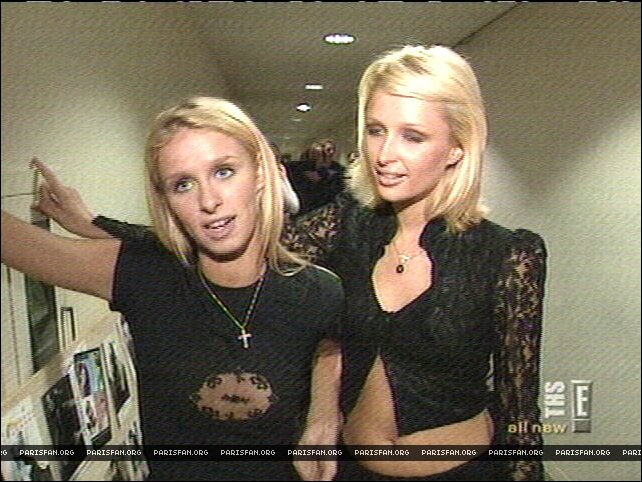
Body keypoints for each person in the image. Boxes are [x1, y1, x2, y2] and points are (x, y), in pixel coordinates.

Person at [26, 46, 546, 481]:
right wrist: (95, 223)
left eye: (412, 136)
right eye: (375, 130)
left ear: (457, 147)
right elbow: (234, 236)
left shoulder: (509, 255)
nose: (385, 153)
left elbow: (519, 406)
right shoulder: (349, 224)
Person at [2, 97, 343, 481]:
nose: (209, 201)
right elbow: (16, 242)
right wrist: (91, 223)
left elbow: (328, 344)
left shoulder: (320, 292)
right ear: (166, 201)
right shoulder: (143, 273)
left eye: (224, 172)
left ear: (262, 174)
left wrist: (324, 412)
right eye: (183, 184)